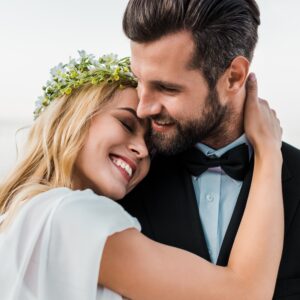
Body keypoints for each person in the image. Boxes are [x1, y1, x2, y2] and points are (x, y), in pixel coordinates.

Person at [0, 51, 282, 300]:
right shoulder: (70, 214)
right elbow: (245, 293)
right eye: (125, 123)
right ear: (72, 118)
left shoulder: (27, 213)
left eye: (150, 144)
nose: (142, 151)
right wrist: (268, 151)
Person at [121, 0, 300, 299]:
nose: (143, 107)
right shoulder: (125, 177)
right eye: (139, 81)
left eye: (168, 88)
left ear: (233, 77)